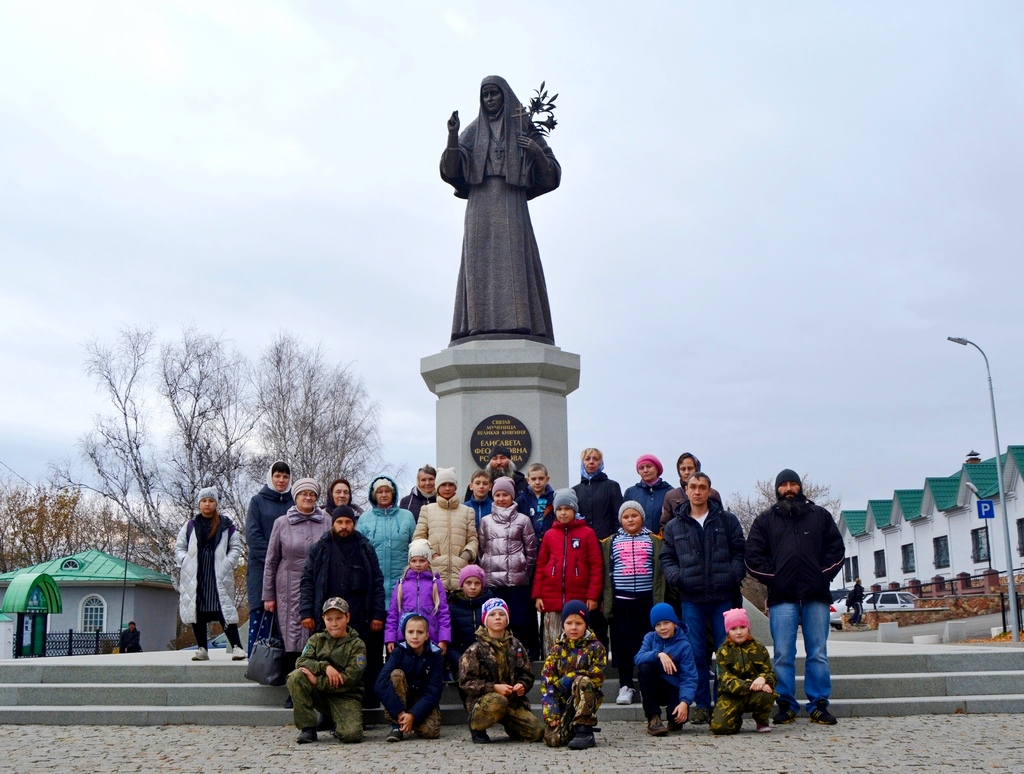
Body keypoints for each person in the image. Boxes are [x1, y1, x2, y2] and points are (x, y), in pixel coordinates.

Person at [441, 76, 561, 346]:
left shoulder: (523, 126)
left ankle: (520, 323)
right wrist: (451, 136)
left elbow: (553, 175)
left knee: (515, 262)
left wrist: (535, 152)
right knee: (478, 266)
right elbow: (451, 169)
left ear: (505, 95)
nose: (489, 100)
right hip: (480, 208)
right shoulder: (472, 132)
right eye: (485, 95)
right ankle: (477, 325)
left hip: (511, 205)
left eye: (494, 94)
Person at [745, 469, 845, 726]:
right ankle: (786, 704)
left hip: (816, 597)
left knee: (818, 653)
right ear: (777, 489)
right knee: (782, 654)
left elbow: (837, 550)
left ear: (800, 487)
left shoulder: (820, 516)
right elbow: (753, 557)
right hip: (782, 598)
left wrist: (821, 575)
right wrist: (776, 578)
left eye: (793, 484)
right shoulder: (765, 521)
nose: (789, 489)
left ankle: (819, 704)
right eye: (784, 485)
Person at [659, 472, 746, 725]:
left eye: (702, 487)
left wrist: (733, 575)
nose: (697, 491)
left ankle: (724, 700)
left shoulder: (727, 520)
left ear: (709, 491)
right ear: (686, 490)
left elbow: (740, 551)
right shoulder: (675, 526)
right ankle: (702, 705)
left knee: (725, 651)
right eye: (693, 487)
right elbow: (666, 558)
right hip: (692, 598)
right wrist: (678, 577)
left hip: (722, 596)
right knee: (695, 653)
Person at [299, 505, 385, 709]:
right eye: (340, 522)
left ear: (353, 524)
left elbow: (377, 582)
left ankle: (362, 704)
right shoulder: (320, 548)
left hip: (360, 617)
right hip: (328, 618)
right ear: (333, 523)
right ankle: (326, 708)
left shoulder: (365, 547)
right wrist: (306, 612)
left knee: (361, 662)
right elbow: (307, 581)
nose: (344, 526)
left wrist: (377, 614)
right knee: (326, 659)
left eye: (348, 522)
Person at [264, 478, 331, 704]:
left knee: (317, 634)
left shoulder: (326, 521)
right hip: (288, 585)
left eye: (312, 494)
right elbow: (271, 561)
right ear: (296, 497)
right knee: (292, 637)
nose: (308, 498)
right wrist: (268, 596)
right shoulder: (282, 522)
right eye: (303, 494)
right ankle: (294, 689)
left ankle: (317, 688)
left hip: (318, 584)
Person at [601, 500, 665, 706]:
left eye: (634, 515)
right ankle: (625, 685)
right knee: (622, 645)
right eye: (626, 516)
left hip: (647, 602)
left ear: (642, 518)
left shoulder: (654, 540)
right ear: (621, 520)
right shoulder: (610, 542)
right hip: (621, 602)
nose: (630, 519)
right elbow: (605, 572)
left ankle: (649, 686)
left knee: (647, 644)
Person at [458, 597, 545, 744]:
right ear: (485, 619)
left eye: (501, 614)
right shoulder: (475, 649)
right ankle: (477, 727)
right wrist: (494, 687)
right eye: (492, 615)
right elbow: (466, 682)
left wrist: (522, 685)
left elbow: (527, 674)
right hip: (485, 701)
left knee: (537, 732)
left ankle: (511, 726)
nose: (497, 617)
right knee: (497, 700)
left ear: (507, 619)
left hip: (512, 702)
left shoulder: (516, 645)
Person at [176, 487, 245, 661]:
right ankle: (202, 649)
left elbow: (235, 547)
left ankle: (237, 647)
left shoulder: (226, 525)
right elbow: (179, 547)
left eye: (211, 501)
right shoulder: (190, 526)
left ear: (216, 503)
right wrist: (185, 561)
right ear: (199, 503)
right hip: (197, 576)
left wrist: (227, 563)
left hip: (218, 576)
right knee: (196, 610)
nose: (207, 504)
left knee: (224, 610)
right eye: (204, 500)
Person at [532, 489, 603, 654]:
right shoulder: (549, 535)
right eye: (559, 509)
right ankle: (552, 676)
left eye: (567, 509)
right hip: (552, 600)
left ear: (574, 510)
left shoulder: (587, 534)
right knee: (553, 644)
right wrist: (538, 595)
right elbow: (541, 565)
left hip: (578, 599)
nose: (563, 513)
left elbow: (596, 566)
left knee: (578, 643)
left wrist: (592, 596)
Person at [288, 597, 366, 744]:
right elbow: (302, 661)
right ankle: (308, 728)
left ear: (347, 617)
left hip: (345, 695)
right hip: (321, 694)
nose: (334, 623)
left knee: (351, 735)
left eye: (339, 618)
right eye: (329, 619)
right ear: (323, 619)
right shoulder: (317, 640)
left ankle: (337, 720)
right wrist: (325, 667)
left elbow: (349, 679)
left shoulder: (357, 645)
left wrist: (317, 680)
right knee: (296, 676)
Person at [479, 476, 539, 659]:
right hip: (494, 584)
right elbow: (482, 549)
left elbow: (531, 551)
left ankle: (523, 658)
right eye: (497, 494)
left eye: (505, 494)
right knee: (496, 623)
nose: (501, 498)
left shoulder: (523, 520)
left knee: (520, 622)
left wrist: (523, 571)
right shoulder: (486, 521)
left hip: (517, 583)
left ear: (512, 496)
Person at [539, 600, 606, 750]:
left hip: (586, 698)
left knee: (582, 681)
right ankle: (570, 726)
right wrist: (552, 713)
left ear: (586, 624)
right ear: (563, 624)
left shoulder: (596, 648)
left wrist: (569, 679)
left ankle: (584, 729)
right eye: (569, 623)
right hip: (563, 701)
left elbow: (597, 676)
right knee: (553, 740)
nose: (573, 627)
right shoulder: (556, 650)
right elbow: (547, 683)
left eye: (578, 623)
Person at [245, 460, 294, 655]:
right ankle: (257, 663)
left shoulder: (293, 503)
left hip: (287, 569)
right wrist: (273, 558)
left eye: (285, 476)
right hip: (260, 567)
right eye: (277, 475)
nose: (281, 480)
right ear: (270, 477)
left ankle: (281, 669)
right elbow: (252, 535)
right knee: (261, 613)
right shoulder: (258, 501)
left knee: (285, 617)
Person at [376, 613, 444, 742]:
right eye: (411, 632)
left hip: (421, 698)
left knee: (431, 732)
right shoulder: (398, 652)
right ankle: (397, 725)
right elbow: (380, 684)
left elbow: (434, 691)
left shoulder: (435, 656)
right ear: (404, 634)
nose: (415, 636)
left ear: (427, 635)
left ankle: (411, 721)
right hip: (402, 698)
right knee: (396, 675)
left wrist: (413, 714)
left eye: (420, 632)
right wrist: (400, 713)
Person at [635, 603, 698, 736]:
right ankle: (653, 718)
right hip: (655, 686)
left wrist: (685, 702)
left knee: (676, 719)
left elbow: (689, 677)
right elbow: (638, 658)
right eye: (658, 624)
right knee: (645, 668)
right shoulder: (650, 638)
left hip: (674, 688)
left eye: (666, 623)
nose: (662, 628)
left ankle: (674, 716)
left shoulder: (684, 645)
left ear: (674, 623)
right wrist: (659, 654)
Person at [710, 607, 776, 735]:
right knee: (719, 727)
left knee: (767, 693)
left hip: (755, 694)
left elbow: (771, 673)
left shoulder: (759, 648)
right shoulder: (722, 652)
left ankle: (761, 720)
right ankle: (734, 719)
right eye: (734, 629)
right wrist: (753, 685)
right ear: (728, 631)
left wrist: (764, 679)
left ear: (748, 628)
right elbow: (725, 680)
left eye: (742, 627)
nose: (739, 632)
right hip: (732, 695)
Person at [413, 467, 478, 592]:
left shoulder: (467, 511)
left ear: (455, 486)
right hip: (435, 575)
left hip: (460, 576)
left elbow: (472, 539)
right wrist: (432, 554)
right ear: (437, 487)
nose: (447, 488)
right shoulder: (427, 510)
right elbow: (418, 538)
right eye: (443, 485)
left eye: (450, 484)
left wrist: (465, 556)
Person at [356, 475, 417, 610]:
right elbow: (358, 552)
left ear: (393, 493)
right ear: (374, 495)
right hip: (374, 586)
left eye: (387, 491)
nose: (384, 495)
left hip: (403, 584)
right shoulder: (365, 519)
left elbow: (416, 548)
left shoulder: (406, 516)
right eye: (379, 491)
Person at [384, 540, 451, 654]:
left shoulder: (436, 584)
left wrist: (443, 639)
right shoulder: (401, 584)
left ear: (429, 562)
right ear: (409, 562)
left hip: (431, 640)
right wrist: (390, 638)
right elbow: (393, 613)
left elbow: (443, 613)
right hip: (405, 640)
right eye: (414, 561)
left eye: (422, 560)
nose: (418, 564)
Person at [447, 565, 494, 679]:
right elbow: (449, 644)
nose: (473, 587)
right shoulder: (452, 608)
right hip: (462, 662)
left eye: (477, 583)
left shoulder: (491, 605)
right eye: (468, 583)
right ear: (462, 585)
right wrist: (462, 661)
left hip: (489, 661)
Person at [660, 453, 724, 530]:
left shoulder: (713, 494)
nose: (686, 472)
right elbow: (665, 526)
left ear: (696, 469)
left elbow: (721, 522)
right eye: (683, 469)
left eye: (690, 468)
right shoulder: (671, 496)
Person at [573, 447, 623, 541]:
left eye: (596, 459)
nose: (591, 462)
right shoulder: (575, 490)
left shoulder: (612, 486)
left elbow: (619, 516)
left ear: (601, 462)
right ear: (582, 462)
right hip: (583, 541)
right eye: (587, 459)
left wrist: (616, 538)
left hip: (607, 540)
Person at [623, 454, 674, 534]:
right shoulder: (631, 493)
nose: (645, 470)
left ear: (657, 469)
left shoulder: (670, 492)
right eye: (641, 468)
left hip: (664, 540)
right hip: (638, 541)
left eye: (649, 466)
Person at [516, 462, 555, 541]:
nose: (537, 482)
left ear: (547, 479)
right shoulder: (521, 500)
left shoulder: (554, 498)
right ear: (528, 480)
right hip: (528, 542)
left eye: (541, 478)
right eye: (533, 479)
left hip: (549, 540)